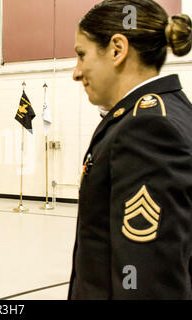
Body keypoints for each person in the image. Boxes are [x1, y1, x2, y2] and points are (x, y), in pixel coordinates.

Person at [69, 0, 192, 299]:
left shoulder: (145, 130)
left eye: (82, 55)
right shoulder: (169, 111)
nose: (76, 72)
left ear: (116, 49)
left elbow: (147, 279)